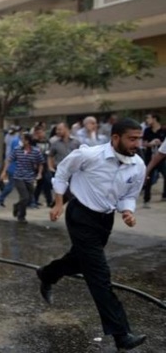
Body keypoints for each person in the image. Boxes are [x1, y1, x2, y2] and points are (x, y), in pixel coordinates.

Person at [37, 119, 147, 351]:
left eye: (139, 138)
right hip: (80, 215)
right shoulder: (90, 155)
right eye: (132, 138)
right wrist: (58, 202)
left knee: (78, 261)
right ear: (116, 138)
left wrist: (127, 211)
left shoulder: (138, 165)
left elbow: (129, 194)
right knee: (99, 274)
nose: (137, 143)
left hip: (104, 220)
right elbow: (63, 171)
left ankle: (47, 274)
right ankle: (121, 334)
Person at [0, 133, 43, 223]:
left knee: (30, 198)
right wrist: (4, 172)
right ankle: (21, 216)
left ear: (27, 141)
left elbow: (41, 162)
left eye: (23, 139)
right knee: (24, 196)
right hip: (18, 176)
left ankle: (17, 206)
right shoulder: (17, 150)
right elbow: (9, 160)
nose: (21, 141)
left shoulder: (36, 151)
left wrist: (39, 173)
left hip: (29, 177)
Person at [141, 113, 166, 208]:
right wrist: (150, 144)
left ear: (154, 119)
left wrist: (161, 143)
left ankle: (164, 195)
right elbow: (143, 143)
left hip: (162, 159)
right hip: (150, 157)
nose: (147, 120)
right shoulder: (147, 130)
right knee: (149, 178)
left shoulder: (163, 130)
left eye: (148, 118)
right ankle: (146, 200)